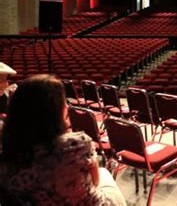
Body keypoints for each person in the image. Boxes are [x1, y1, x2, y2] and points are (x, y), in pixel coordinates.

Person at [0, 74, 126, 205]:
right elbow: (95, 181)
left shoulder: (7, 151)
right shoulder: (77, 145)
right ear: (56, 109)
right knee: (105, 174)